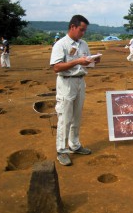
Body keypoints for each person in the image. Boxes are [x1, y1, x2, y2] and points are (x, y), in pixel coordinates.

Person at [50, 15, 101, 166]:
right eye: (81, 30)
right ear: (72, 27)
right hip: (66, 83)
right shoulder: (61, 44)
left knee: (77, 116)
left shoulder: (83, 44)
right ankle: (61, 150)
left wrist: (93, 61)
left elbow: (85, 65)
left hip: (80, 82)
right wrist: (77, 61)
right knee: (65, 118)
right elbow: (56, 67)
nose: (83, 33)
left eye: (84, 31)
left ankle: (75, 145)